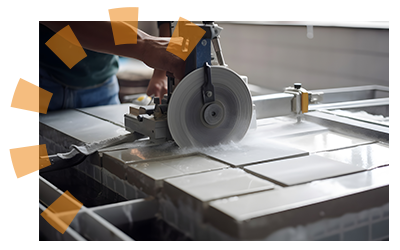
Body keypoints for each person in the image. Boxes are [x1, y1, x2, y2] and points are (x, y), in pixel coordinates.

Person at [39, 21, 183, 111]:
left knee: (100, 157)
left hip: (103, 85)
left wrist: (161, 72)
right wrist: (145, 47)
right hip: (36, 86)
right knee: (26, 159)